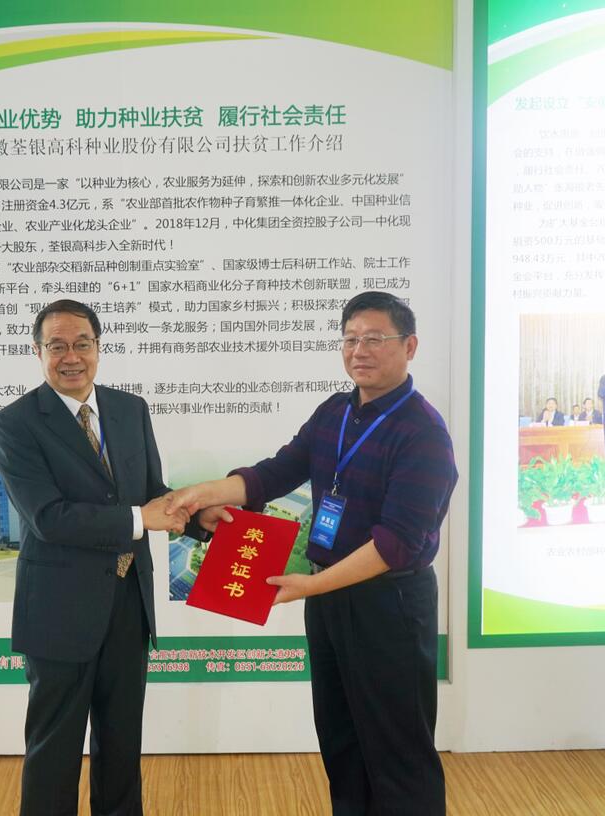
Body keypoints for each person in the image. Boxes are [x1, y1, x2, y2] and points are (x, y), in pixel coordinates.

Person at [167, 291, 457, 815]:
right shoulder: (334, 412)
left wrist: (311, 585)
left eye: (374, 338)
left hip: (388, 604)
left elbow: (395, 544)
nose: (359, 350)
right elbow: (275, 473)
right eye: (350, 339)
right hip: (329, 600)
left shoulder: (423, 433)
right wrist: (202, 494)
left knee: (398, 752)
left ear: (409, 346)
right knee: (341, 740)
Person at [0, 299, 206, 816]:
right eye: (57, 346)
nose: (71, 357)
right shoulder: (16, 423)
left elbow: (151, 492)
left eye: (82, 343)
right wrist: (140, 519)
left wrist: (200, 517)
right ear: (38, 352)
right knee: (54, 750)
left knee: (122, 744)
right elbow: (48, 518)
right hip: (59, 610)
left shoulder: (130, 409)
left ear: (98, 346)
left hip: (128, 602)